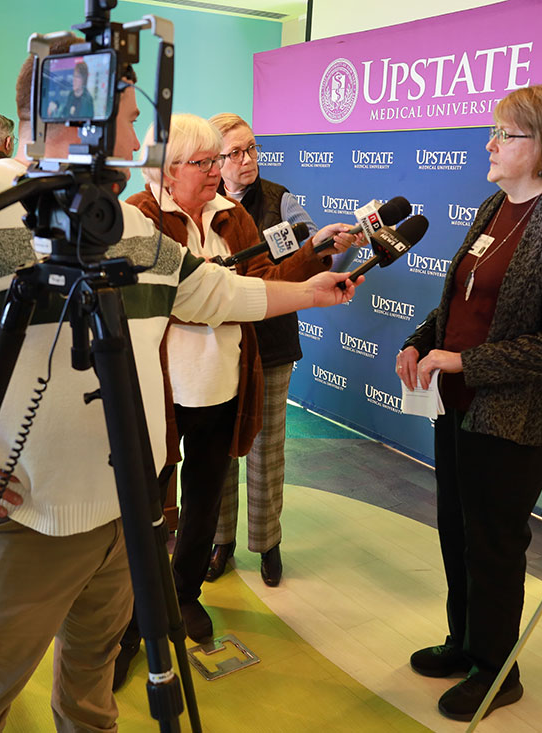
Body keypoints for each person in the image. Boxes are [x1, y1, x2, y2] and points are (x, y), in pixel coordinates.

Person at [0, 47, 362, 732]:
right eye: (129, 121)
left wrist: (305, 292)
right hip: (21, 522)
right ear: (79, 121)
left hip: (129, 514)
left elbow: (208, 290)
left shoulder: (120, 224)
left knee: (92, 692)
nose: (137, 142)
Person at [396, 84, 542, 721]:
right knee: (458, 531)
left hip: (516, 418)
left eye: (505, 134)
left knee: (493, 542)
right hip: (458, 404)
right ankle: (465, 643)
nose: (489, 143)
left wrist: (466, 361)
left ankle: (497, 671)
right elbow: (465, 298)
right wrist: (421, 341)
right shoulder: (500, 202)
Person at [126, 113, 363, 646]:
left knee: (206, 497)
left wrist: (311, 264)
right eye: (203, 162)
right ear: (164, 169)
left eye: (219, 159)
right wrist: (222, 297)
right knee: (145, 506)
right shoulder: (136, 217)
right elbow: (164, 300)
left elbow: (263, 282)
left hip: (222, 384)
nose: (219, 171)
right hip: (157, 391)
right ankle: (131, 616)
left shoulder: (235, 217)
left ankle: (185, 594)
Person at [205, 112, 318, 588]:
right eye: (235, 152)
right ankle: (220, 542)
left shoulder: (281, 199)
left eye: (251, 149)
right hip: (220, 346)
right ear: (216, 159)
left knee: (268, 450)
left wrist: (312, 249)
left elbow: (311, 247)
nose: (247, 160)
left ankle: (268, 544)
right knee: (219, 450)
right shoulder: (203, 208)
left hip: (271, 345)